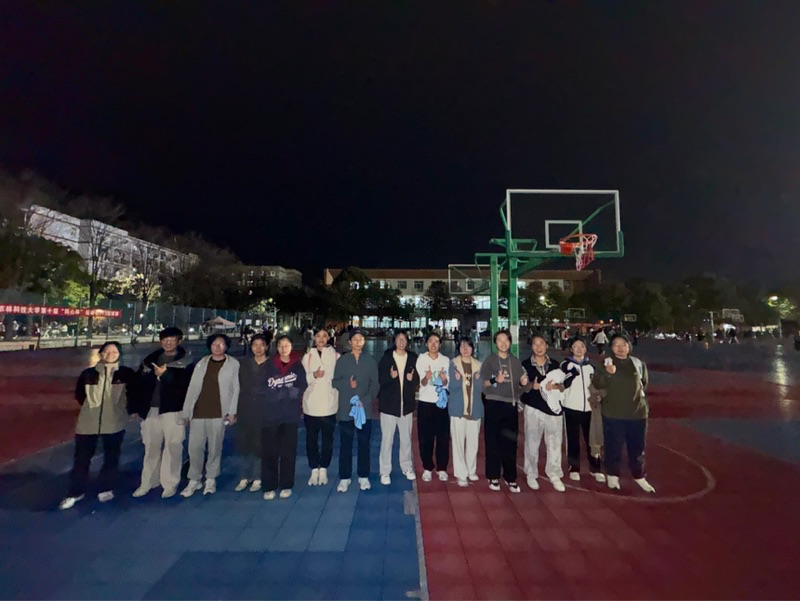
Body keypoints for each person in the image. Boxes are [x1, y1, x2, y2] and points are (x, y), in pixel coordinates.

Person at [60, 342, 138, 510]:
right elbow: (80, 395)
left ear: (120, 354)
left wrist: (126, 411)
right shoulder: (88, 374)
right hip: (88, 423)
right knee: (81, 459)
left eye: (115, 351)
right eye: (107, 351)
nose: (111, 354)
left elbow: (133, 394)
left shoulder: (125, 374)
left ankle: (106, 488)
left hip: (114, 422)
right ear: (101, 353)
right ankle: (76, 492)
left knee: (111, 457)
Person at [133, 327, 192, 499]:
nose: (168, 342)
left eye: (172, 339)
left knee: (173, 447)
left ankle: (170, 483)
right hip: (151, 410)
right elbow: (138, 385)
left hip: (174, 410)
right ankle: (148, 482)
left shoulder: (186, 362)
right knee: (151, 447)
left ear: (179, 341)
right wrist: (136, 407)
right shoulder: (149, 361)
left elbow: (186, 387)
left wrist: (165, 375)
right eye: (165, 339)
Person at [592, 334, 654, 493]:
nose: (620, 348)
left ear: (629, 346)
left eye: (623, 344)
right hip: (613, 414)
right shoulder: (605, 363)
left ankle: (639, 475)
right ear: (611, 347)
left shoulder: (638, 363)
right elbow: (597, 383)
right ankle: (612, 475)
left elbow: (644, 384)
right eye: (616, 345)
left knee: (637, 447)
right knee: (613, 447)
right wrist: (608, 373)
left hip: (637, 413)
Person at [180, 334, 240, 497]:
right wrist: (186, 411)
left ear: (226, 346)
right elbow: (192, 388)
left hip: (219, 413)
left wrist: (232, 411)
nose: (218, 347)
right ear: (210, 346)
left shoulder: (233, 364)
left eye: (221, 344)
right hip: (198, 412)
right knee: (195, 448)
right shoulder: (202, 363)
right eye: (215, 344)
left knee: (215, 447)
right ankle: (194, 479)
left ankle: (211, 478)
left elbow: (236, 388)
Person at [332, 328, 379, 492]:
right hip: (346, 410)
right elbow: (335, 382)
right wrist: (348, 385)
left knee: (364, 444)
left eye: (361, 339)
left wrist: (366, 400)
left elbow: (375, 384)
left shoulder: (370, 361)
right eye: (355, 339)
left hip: (364, 410)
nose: (358, 342)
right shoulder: (342, 361)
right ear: (349, 342)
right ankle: (344, 477)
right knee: (345, 444)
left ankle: (363, 475)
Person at [261, 334, 307, 499]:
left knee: (288, 451)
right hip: (271, 414)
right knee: (269, 451)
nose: (283, 348)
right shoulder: (269, 364)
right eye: (280, 345)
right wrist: (277, 394)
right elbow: (263, 385)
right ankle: (269, 485)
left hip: (289, 415)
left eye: (287, 345)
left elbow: (302, 385)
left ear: (291, 347)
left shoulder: (297, 365)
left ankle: (287, 484)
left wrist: (287, 393)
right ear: (276, 347)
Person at [481, 330, 528, 493]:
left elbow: (521, 388)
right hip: (493, 404)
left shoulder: (515, 362)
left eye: (506, 340)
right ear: (495, 343)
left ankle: (510, 478)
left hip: (510, 406)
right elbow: (483, 383)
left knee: (510, 443)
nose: (503, 343)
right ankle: (493, 476)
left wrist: (523, 384)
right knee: (493, 442)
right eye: (499, 340)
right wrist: (495, 380)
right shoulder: (490, 360)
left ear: (510, 342)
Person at [520, 334, 565, 492]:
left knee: (554, 443)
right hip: (533, 409)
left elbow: (563, 386)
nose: (538, 347)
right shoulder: (525, 365)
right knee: (532, 442)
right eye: (535, 344)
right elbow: (521, 388)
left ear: (547, 345)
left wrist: (556, 387)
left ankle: (554, 473)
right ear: (531, 346)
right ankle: (531, 473)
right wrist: (531, 386)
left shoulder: (556, 365)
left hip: (553, 410)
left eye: (541, 343)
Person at [377, 330, 419, 485]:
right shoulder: (387, 358)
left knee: (406, 438)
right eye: (399, 339)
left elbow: (418, 379)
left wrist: (412, 379)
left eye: (404, 339)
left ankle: (406, 467)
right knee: (387, 439)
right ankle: (385, 471)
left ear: (407, 341)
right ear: (394, 341)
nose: (401, 341)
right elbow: (380, 379)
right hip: (389, 405)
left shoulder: (413, 358)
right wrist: (390, 377)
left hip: (406, 405)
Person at [561, 338, 604, 482]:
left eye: (582, 346)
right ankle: (574, 468)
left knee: (592, 440)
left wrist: (597, 397)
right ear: (571, 349)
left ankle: (595, 468)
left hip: (589, 409)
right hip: (571, 408)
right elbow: (562, 384)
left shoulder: (591, 367)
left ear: (586, 349)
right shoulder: (565, 365)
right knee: (573, 439)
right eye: (575, 346)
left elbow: (597, 386)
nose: (579, 349)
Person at [302, 328, 339, 486]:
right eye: (318, 336)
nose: (321, 339)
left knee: (327, 439)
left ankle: (323, 468)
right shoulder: (307, 356)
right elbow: (301, 379)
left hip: (329, 404)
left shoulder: (336, 356)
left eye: (324, 336)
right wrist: (313, 376)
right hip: (311, 405)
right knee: (311, 439)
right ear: (314, 338)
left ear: (329, 337)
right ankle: (313, 469)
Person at [235, 334, 270, 492]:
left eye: (261, 345)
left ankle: (258, 476)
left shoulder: (272, 365)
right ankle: (244, 476)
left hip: (265, 409)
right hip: (245, 407)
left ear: (267, 347)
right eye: (255, 345)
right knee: (244, 443)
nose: (258, 348)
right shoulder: (243, 364)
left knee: (260, 443)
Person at [415, 332, 451, 482]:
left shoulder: (445, 360)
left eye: (436, 341)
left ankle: (442, 468)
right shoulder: (421, 359)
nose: (433, 344)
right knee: (425, 438)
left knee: (443, 437)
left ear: (440, 344)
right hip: (425, 403)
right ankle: (427, 467)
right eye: (430, 341)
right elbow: (422, 383)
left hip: (441, 404)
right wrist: (426, 377)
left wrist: (443, 379)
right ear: (426, 344)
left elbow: (447, 384)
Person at [448, 339, 483, 487]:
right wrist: (456, 380)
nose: (465, 349)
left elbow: (482, 389)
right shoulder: (452, 364)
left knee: (473, 443)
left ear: (472, 348)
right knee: (458, 443)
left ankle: (471, 470)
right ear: (458, 348)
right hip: (458, 410)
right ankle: (461, 474)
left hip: (474, 410)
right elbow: (449, 387)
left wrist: (478, 379)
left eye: (468, 346)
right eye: (462, 346)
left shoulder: (479, 366)